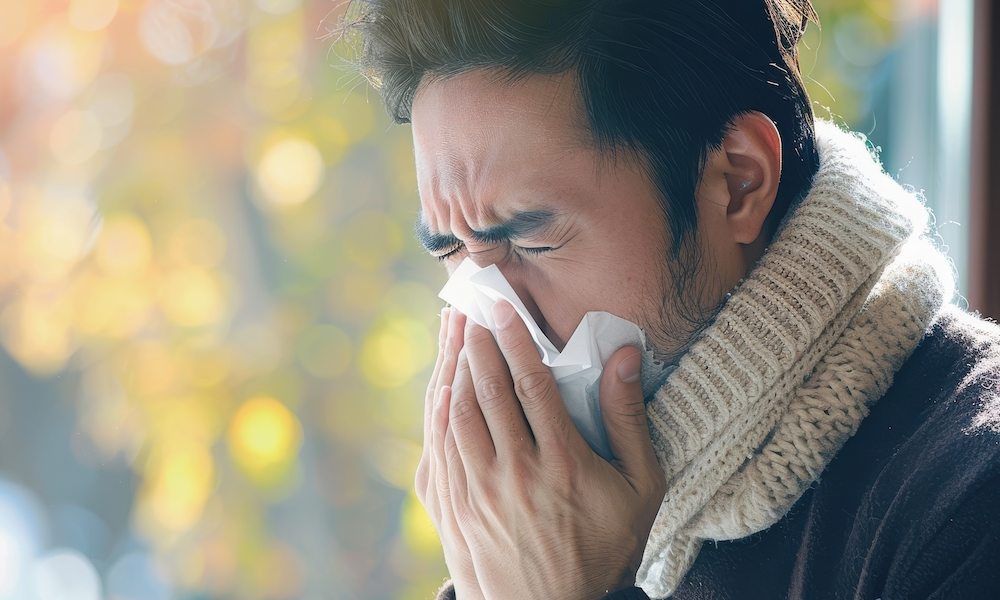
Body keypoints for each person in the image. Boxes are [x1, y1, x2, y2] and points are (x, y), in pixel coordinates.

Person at [342, 0, 1000, 598]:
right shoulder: (565, 519)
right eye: (450, 252)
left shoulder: (969, 502)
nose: (489, 316)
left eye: (531, 242)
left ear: (739, 183)